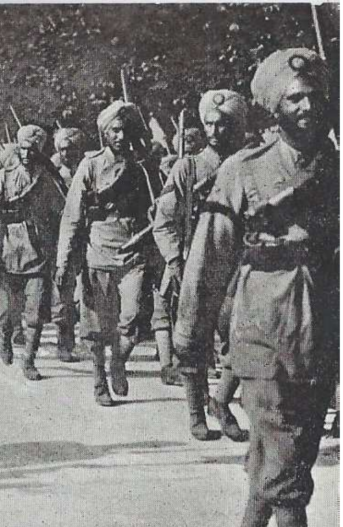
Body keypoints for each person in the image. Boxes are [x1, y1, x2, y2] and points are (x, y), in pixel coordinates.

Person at [175, 48, 338, 527]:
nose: (309, 106)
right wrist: (191, 340)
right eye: (296, 98)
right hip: (263, 326)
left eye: (316, 95)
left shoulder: (335, 167)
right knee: (287, 459)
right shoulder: (241, 171)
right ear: (273, 106)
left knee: (290, 450)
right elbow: (207, 262)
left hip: (321, 324)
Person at [152, 89, 249, 440]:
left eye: (223, 124)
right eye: (209, 124)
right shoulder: (188, 168)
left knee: (246, 337)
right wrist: (175, 259)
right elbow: (164, 220)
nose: (215, 131)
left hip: (243, 263)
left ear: (237, 126)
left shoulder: (251, 165)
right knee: (191, 340)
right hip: (197, 262)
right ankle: (196, 413)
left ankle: (221, 401)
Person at [55, 101, 156, 406]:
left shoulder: (139, 168)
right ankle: (100, 380)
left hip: (131, 253)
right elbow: (72, 216)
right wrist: (64, 260)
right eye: (114, 130)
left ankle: (118, 362)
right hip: (97, 250)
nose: (120, 135)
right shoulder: (91, 166)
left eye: (125, 130)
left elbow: (153, 212)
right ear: (104, 132)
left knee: (132, 319)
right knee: (98, 325)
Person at [0, 125, 67, 380]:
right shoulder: (3, 178)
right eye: (24, 148)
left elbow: (61, 215)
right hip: (6, 250)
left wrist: (60, 251)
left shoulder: (47, 181)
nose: (27, 154)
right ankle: (5, 337)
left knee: (36, 312)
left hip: (37, 253)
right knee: (6, 313)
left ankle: (29, 359)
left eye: (33, 149)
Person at [50, 127, 87, 362]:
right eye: (62, 149)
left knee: (88, 292)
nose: (66, 153)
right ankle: (64, 343)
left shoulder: (86, 169)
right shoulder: (53, 174)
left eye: (71, 149)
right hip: (60, 238)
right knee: (64, 294)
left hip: (86, 236)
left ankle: (88, 338)